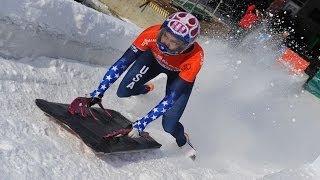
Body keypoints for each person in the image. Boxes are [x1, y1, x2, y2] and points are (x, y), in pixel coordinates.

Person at [68, 12, 204, 158]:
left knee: (169, 125)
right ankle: (146, 88)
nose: (165, 43)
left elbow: (171, 98)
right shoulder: (151, 33)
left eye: (174, 42)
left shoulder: (195, 58)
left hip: (178, 75)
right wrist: (99, 91)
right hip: (153, 59)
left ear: (186, 46)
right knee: (123, 91)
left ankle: (183, 140)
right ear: (162, 29)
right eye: (165, 35)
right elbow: (123, 62)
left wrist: (142, 123)